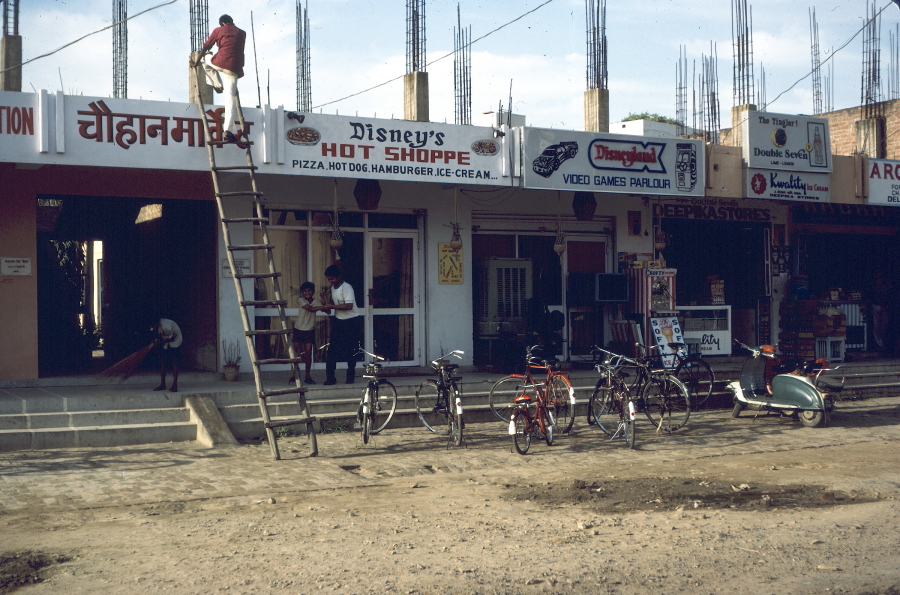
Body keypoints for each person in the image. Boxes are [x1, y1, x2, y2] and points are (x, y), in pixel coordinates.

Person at [190, 14, 246, 145]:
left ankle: (217, 84)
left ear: (222, 23)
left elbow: (206, 46)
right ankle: (228, 131)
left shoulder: (218, 30)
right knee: (230, 99)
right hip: (234, 68)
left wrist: (196, 62)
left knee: (205, 58)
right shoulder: (242, 33)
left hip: (220, 62)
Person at [320, 265, 361, 385]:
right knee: (332, 350)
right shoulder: (333, 289)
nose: (330, 281)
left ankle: (350, 376)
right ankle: (330, 377)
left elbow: (349, 306)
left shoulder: (347, 287)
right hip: (339, 321)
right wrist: (325, 302)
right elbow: (330, 308)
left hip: (351, 321)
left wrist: (331, 306)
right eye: (329, 279)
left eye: (332, 279)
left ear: (339, 276)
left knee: (350, 350)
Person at [289, 281, 322, 385]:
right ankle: (292, 375)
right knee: (296, 353)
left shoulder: (316, 301)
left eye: (309, 290)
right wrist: (323, 307)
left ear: (313, 291)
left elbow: (328, 311)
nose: (307, 293)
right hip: (299, 329)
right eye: (305, 291)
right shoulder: (300, 300)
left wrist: (324, 300)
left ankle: (307, 376)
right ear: (302, 292)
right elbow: (311, 309)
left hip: (309, 330)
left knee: (308, 354)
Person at [152, 318, 182, 392]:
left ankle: (175, 385)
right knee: (163, 362)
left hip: (175, 342)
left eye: (153, 326)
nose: (152, 328)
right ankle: (163, 385)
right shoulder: (157, 327)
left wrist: (160, 342)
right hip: (166, 342)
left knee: (174, 362)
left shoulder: (166, 326)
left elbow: (172, 337)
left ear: (157, 324)